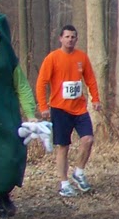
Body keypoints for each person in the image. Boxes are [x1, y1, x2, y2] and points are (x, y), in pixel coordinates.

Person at [36, 24, 101, 197]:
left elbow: (90, 79)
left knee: (88, 139)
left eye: (73, 37)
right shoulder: (52, 58)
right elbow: (41, 83)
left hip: (79, 108)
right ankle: (64, 183)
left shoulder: (82, 57)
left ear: (76, 39)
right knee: (63, 146)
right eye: (67, 36)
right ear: (60, 38)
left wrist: (95, 99)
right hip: (59, 109)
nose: (70, 39)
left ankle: (78, 172)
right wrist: (43, 107)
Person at [0, 15, 37, 217]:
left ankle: (4, 195)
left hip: (6, 120)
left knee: (8, 159)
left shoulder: (9, 61)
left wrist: (31, 113)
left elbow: (22, 87)